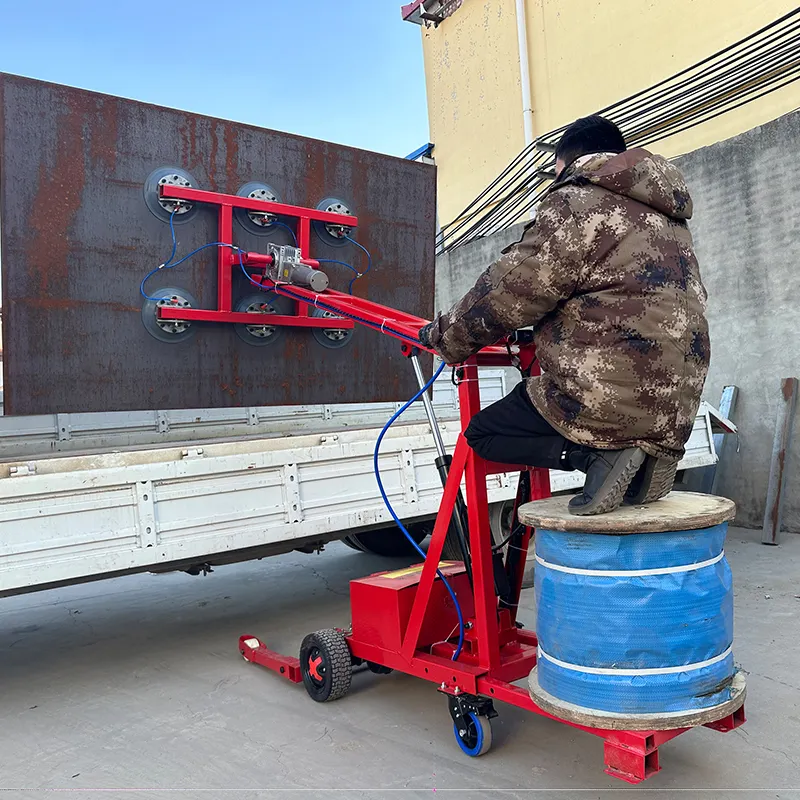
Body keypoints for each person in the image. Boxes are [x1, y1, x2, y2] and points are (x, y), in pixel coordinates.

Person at [419, 115, 709, 515]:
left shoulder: (577, 200)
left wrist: (445, 337)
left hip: (607, 394)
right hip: (675, 401)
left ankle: (593, 458)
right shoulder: (668, 218)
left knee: (483, 433)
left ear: (567, 161)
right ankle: (646, 460)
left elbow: (513, 288)